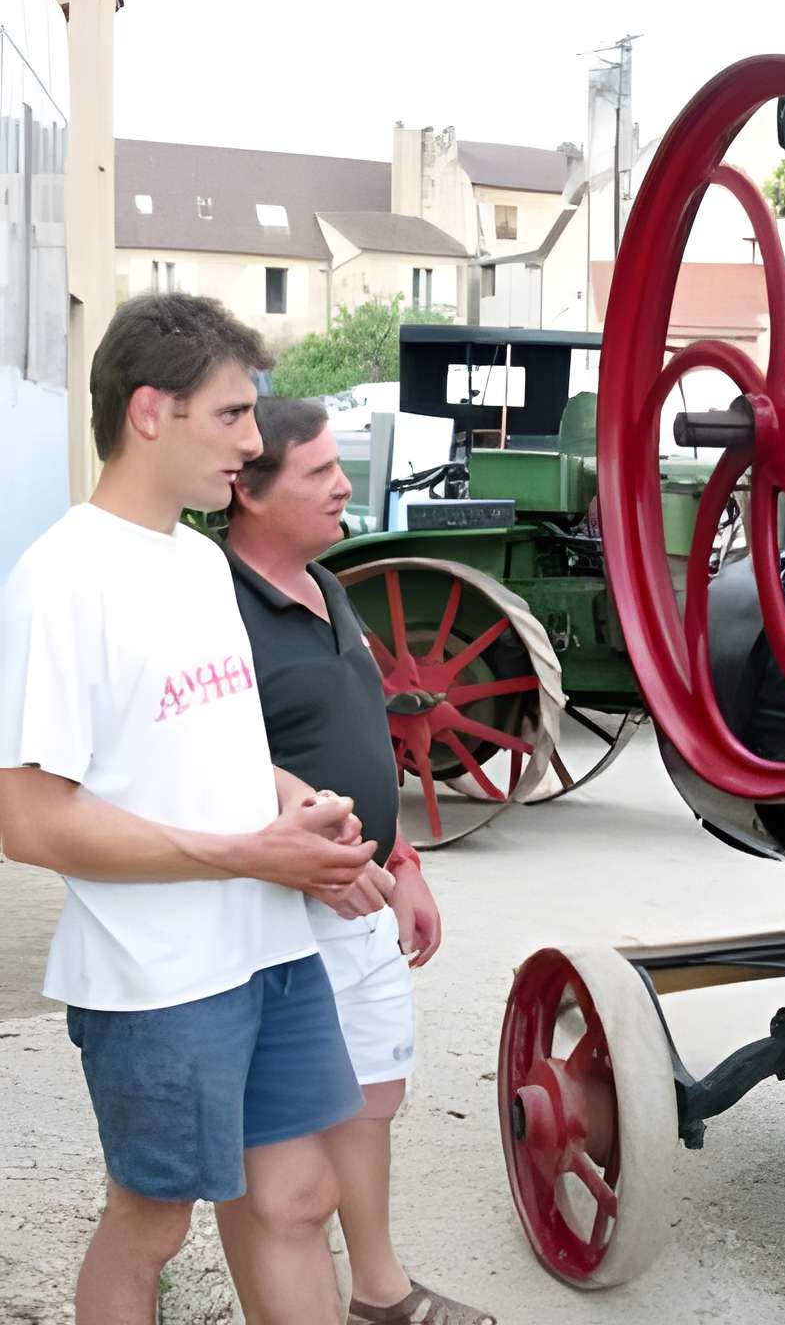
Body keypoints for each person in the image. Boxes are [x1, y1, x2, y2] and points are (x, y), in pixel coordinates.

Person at [0, 293, 387, 1325]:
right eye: (230, 415)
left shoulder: (204, 562)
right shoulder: (61, 581)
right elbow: (28, 821)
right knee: (151, 1226)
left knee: (300, 1196)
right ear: (148, 412)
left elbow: (223, 744)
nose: (253, 443)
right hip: (158, 978)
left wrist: (304, 811)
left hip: (269, 951)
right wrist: (251, 854)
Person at [225, 395, 496, 1325]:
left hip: (371, 892)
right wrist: (320, 854)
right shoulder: (219, 606)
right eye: (320, 471)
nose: (345, 486)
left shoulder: (327, 586)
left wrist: (405, 859)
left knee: (372, 1098)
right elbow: (199, 764)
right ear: (251, 491)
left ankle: (379, 1289)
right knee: (284, 1158)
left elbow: (365, 733)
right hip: (286, 910)